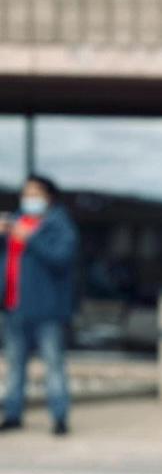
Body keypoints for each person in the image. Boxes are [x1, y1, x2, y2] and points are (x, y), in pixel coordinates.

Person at [0, 174, 79, 435]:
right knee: (14, 365)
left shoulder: (60, 225)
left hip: (47, 312)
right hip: (13, 307)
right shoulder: (14, 224)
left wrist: (31, 238)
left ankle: (59, 418)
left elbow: (62, 259)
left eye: (35, 193)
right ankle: (13, 414)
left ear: (48, 197)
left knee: (53, 365)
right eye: (26, 193)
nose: (29, 198)